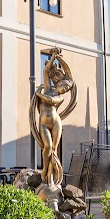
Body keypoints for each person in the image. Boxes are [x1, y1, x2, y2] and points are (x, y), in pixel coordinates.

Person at [31, 49, 77, 187]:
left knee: (54, 150)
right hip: (44, 123)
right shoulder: (47, 87)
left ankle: (51, 177)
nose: (64, 90)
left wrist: (38, 95)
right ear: (59, 82)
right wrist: (54, 58)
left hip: (56, 123)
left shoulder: (59, 97)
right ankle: (45, 170)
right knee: (48, 146)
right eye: (64, 86)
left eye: (67, 89)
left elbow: (50, 100)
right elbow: (45, 71)